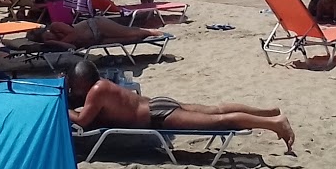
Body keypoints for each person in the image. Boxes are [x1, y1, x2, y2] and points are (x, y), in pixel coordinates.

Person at [65, 59, 295, 152]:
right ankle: (268, 111)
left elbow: (83, 120)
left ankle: (274, 123)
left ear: (83, 82)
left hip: (157, 115)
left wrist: (62, 109)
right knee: (215, 109)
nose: (74, 90)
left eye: (75, 86)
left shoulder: (96, 91)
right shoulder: (103, 83)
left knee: (219, 121)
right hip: (157, 103)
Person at [27, 17, 168, 49]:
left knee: (130, 32)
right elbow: (72, 48)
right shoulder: (54, 42)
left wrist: (59, 41)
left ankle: (157, 33)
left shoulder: (55, 26)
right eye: (46, 39)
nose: (50, 37)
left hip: (97, 26)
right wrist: (54, 43)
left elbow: (74, 34)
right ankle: (149, 34)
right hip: (96, 40)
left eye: (48, 34)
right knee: (131, 39)